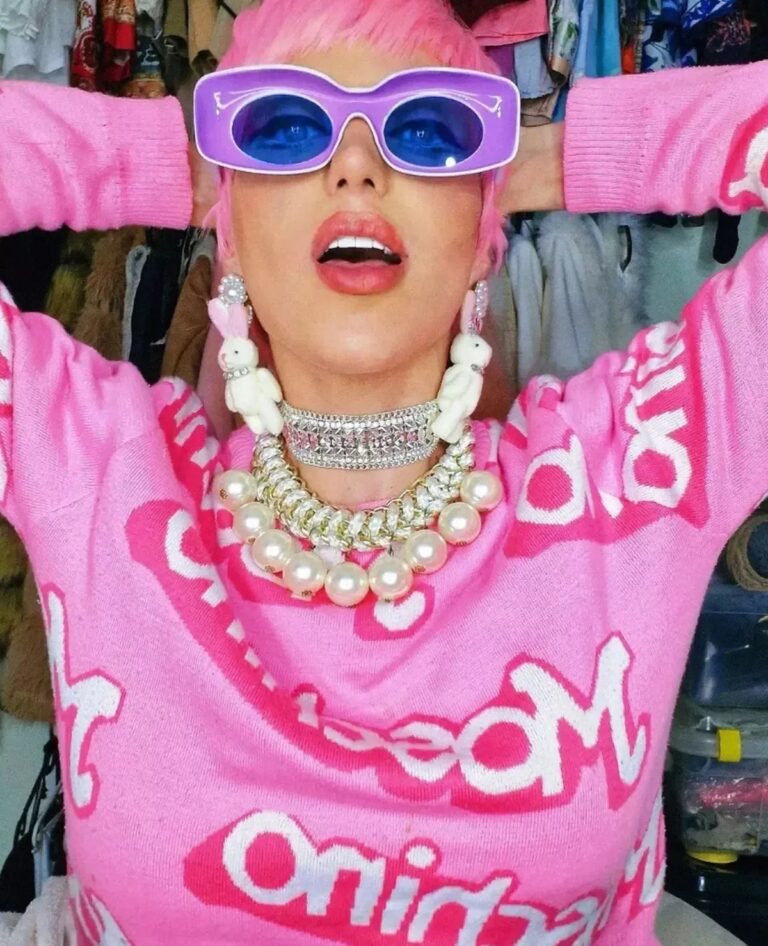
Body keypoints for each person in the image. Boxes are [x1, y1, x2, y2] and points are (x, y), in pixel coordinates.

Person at [0, 0, 766, 943]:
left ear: (484, 234)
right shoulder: (97, 467)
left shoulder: (634, 470)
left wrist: (558, 158)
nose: (356, 166)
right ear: (225, 232)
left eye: (430, 130)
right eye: (283, 127)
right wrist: (166, 162)